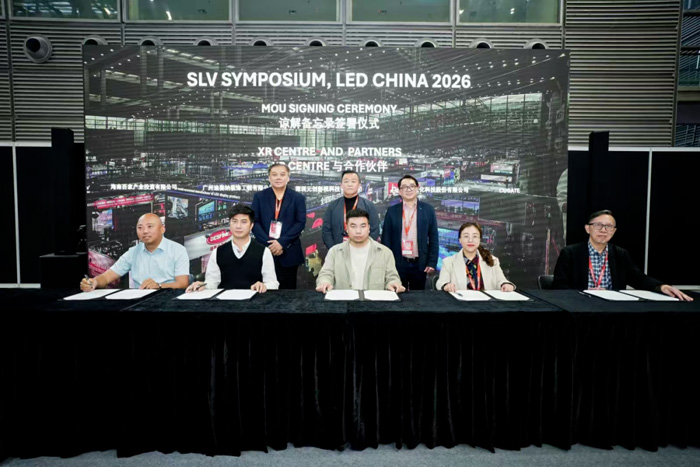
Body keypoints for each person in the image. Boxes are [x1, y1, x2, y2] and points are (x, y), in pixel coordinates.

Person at [552, 210, 693, 301]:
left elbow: (638, 278)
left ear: (613, 231)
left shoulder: (620, 254)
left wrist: (661, 286)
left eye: (608, 227)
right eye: (598, 225)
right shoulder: (570, 253)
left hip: (613, 306)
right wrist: (584, 292)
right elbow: (559, 286)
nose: (603, 230)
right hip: (580, 304)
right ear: (588, 228)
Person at [80, 213, 189, 291]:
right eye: (140, 227)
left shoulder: (178, 250)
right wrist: (94, 282)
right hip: (140, 303)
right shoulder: (133, 252)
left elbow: (183, 283)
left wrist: (159, 286)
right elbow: (107, 277)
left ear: (162, 229)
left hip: (169, 300)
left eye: (150, 226)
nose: (145, 231)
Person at [187, 204, 278, 293]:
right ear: (229, 224)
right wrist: (203, 285)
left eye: (243, 222)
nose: (238, 226)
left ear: (251, 226)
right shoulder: (218, 252)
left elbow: (273, 283)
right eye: (234, 221)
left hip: (255, 301)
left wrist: (264, 286)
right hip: (225, 301)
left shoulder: (263, 251)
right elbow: (212, 283)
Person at [316, 209, 405, 293]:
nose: (358, 231)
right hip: (344, 301)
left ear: (369, 228)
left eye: (363, 226)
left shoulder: (385, 252)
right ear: (347, 228)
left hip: (374, 302)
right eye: (353, 226)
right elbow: (326, 274)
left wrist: (393, 283)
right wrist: (324, 282)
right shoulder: (334, 252)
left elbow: (392, 277)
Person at [251, 163, 307, 289]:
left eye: (282, 174)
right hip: (265, 250)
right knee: (264, 291)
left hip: (289, 251)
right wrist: (270, 244)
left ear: (288, 178)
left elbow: (300, 223)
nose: (278, 178)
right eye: (274, 175)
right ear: (269, 178)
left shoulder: (298, 198)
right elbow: (255, 222)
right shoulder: (259, 197)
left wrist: (281, 243)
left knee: (289, 292)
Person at [380, 175, 438, 290]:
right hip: (398, 263)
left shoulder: (428, 210)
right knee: (397, 294)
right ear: (400, 191)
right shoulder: (392, 211)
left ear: (417, 188)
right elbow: (386, 239)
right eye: (405, 187)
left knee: (418, 297)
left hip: (420, 264)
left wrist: (432, 262)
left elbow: (433, 238)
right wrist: (387, 263)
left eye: (412, 186)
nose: (409, 189)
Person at [436, 222, 515, 292]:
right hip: (461, 303)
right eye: (466, 236)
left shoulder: (493, 260)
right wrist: (446, 285)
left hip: (487, 303)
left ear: (479, 239)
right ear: (460, 240)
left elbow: (501, 280)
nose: (470, 240)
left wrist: (505, 284)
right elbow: (441, 283)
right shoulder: (448, 262)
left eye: (475, 236)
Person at [322, 169, 380, 248]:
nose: (349, 184)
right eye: (346, 181)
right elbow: (326, 231)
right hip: (338, 249)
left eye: (353, 181)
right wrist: (334, 249)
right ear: (341, 185)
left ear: (359, 185)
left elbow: (374, 230)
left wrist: (365, 248)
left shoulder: (369, 206)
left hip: (363, 250)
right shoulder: (332, 206)